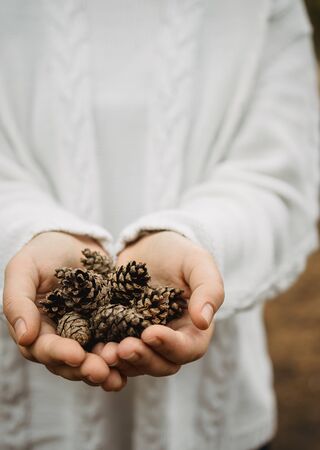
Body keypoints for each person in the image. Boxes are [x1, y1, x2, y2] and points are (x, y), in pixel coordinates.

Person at [0, 1, 318, 449]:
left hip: (215, 424)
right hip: (25, 422)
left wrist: (195, 238)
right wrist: (25, 234)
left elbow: (279, 178)